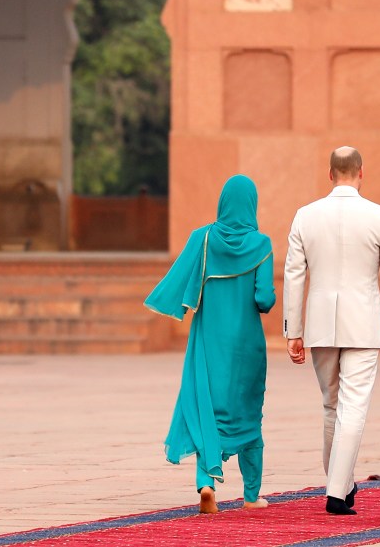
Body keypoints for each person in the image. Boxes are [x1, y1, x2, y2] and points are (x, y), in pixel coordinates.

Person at [283, 146, 380, 516]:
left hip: (321, 324)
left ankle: (341, 483)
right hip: (363, 323)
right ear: (360, 173)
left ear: (330, 174)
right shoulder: (379, 216)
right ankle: (337, 493)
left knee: (331, 406)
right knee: (352, 406)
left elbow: (294, 274)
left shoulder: (305, 216)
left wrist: (294, 330)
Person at [145, 175, 276, 513]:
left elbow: (180, 283)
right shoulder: (261, 245)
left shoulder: (201, 239)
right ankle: (251, 495)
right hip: (247, 346)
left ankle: (206, 483)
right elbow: (264, 300)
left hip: (208, 342)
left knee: (208, 408)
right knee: (248, 414)